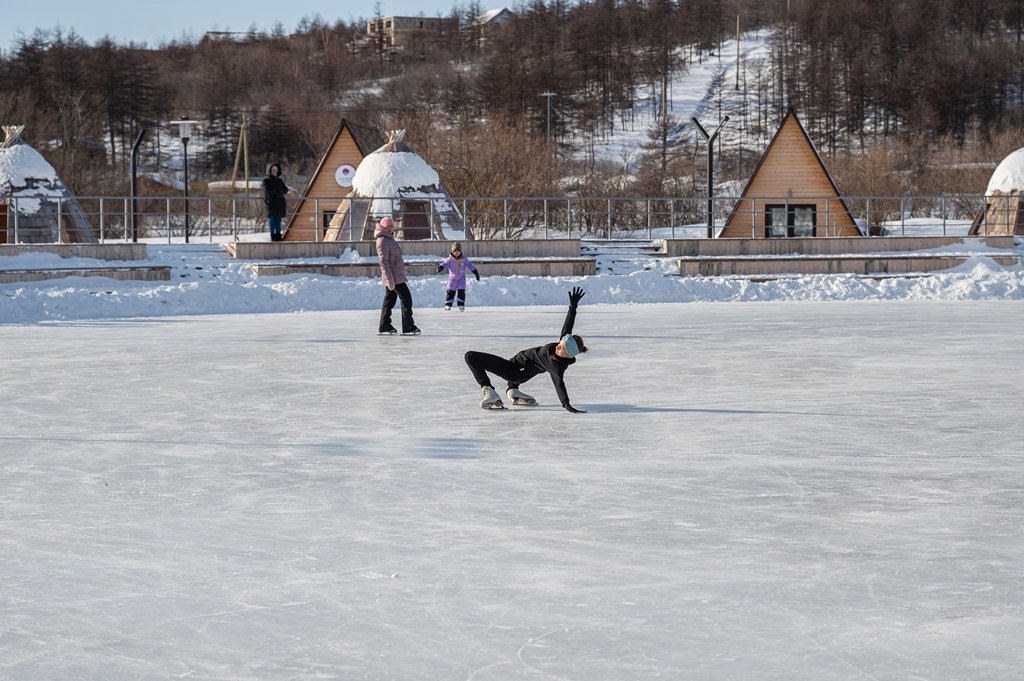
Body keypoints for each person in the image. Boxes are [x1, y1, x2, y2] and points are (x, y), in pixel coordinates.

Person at [464, 286, 588, 412]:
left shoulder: (556, 365)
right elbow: (568, 326)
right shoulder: (561, 347)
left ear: (568, 354)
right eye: (560, 342)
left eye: (562, 347)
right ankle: (512, 390)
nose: (558, 345)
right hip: (518, 368)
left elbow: (559, 383)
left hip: (513, 371)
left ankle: (489, 390)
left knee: (470, 356)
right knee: (520, 365)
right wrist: (573, 307)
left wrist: (566, 404)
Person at [375, 215, 420, 335]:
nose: (390, 227)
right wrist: (390, 279)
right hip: (394, 277)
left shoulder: (389, 238)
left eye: (391, 225)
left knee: (389, 301)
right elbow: (383, 262)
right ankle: (408, 327)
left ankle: (385, 326)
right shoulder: (383, 240)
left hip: (397, 275)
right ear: (382, 227)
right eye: (387, 226)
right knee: (406, 299)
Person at [436, 241, 479, 310]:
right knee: (450, 292)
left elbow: (470, 265)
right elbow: (444, 264)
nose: (456, 253)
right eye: (455, 251)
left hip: (461, 279)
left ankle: (461, 304)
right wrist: (440, 267)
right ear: (452, 251)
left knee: (461, 292)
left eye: (458, 251)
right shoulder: (450, 260)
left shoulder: (464, 260)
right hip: (452, 279)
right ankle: (448, 304)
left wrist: (476, 272)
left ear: (460, 251)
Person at [262, 162, 288, 241]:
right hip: (271, 203)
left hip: (279, 203)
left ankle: (278, 236)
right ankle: (273, 237)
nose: (274, 171)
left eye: (276, 169)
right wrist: (277, 192)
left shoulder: (279, 180)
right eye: (273, 170)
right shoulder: (266, 180)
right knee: (272, 219)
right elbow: (267, 191)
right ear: (269, 170)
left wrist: (278, 193)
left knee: (278, 220)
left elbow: (285, 189)